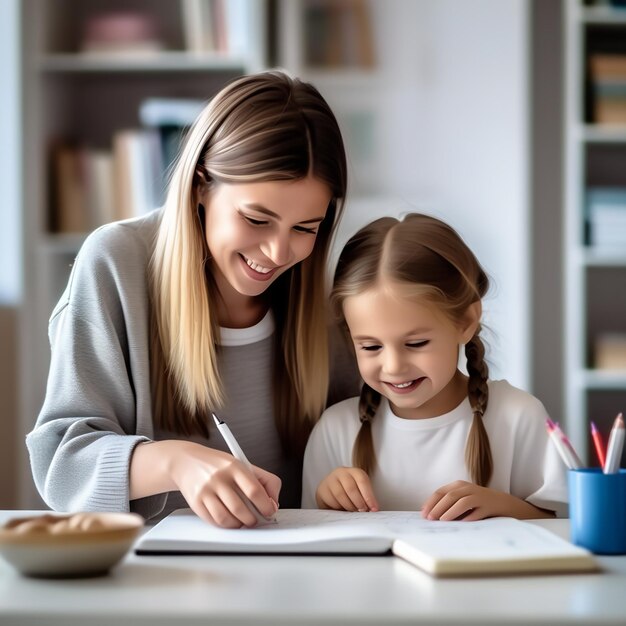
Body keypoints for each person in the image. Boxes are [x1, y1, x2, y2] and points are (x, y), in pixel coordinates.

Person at [27, 70, 360, 528]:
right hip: (153, 577)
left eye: (305, 228)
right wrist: (175, 462)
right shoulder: (116, 264)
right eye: (257, 219)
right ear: (201, 185)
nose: (280, 253)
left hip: (295, 569)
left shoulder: (320, 296)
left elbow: (376, 427)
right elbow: (61, 465)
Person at [302, 213, 568, 520]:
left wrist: (502, 507)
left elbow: (560, 526)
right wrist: (327, 499)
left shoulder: (518, 416)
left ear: (466, 322)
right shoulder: (335, 430)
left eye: (416, 344)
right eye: (371, 346)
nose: (393, 366)